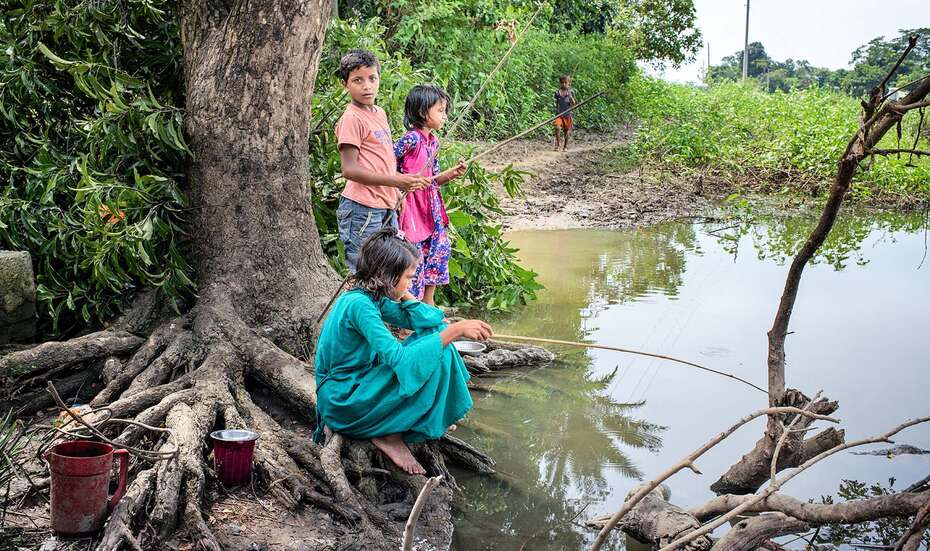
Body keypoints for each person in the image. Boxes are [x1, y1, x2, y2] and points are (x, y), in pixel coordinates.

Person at [313, 227, 493, 474]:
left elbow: (429, 321)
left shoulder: (372, 296)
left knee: (437, 335)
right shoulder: (359, 305)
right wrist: (455, 331)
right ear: (385, 274)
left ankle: (428, 414)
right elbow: (401, 361)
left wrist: (405, 293)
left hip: (359, 386)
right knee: (441, 343)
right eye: (409, 277)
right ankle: (390, 435)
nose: (413, 282)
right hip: (344, 399)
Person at [335, 50, 430, 273]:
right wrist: (397, 181)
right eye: (358, 80)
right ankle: (356, 308)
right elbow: (350, 169)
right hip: (361, 208)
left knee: (388, 269)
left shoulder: (379, 113)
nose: (367, 86)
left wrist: (395, 192)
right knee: (365, 271)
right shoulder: (351, 118)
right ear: (345, 84)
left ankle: (382, 308)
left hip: (384, 204)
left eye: (372, 78)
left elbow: (382, 158)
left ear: (379, 79)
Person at [394, 84, 468, 305]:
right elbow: (388, 165)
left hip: (431, 206)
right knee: (413, 255)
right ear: (422, 112)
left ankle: (429, 302)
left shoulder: (433, 142)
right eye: (440, 110)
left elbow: (434, 180)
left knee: (438, 249)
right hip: (412, 206)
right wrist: (400, 189)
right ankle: (411, 307)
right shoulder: (411, 139)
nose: (444, 116)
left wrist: (453, 173)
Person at [553, 75, 577, 151]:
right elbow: (557, 103)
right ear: (560, 83)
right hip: (559, 114)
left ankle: (565, 146)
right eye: (562, 83)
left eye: (565, 83)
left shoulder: (570, 92)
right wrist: (556, 112)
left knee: (566, 131)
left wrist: (570, 97)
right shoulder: (557, 93)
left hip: (567, 114)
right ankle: (558, 145)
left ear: (568, 83)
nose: (564, 84)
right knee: (557, 128)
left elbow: (574, 104)